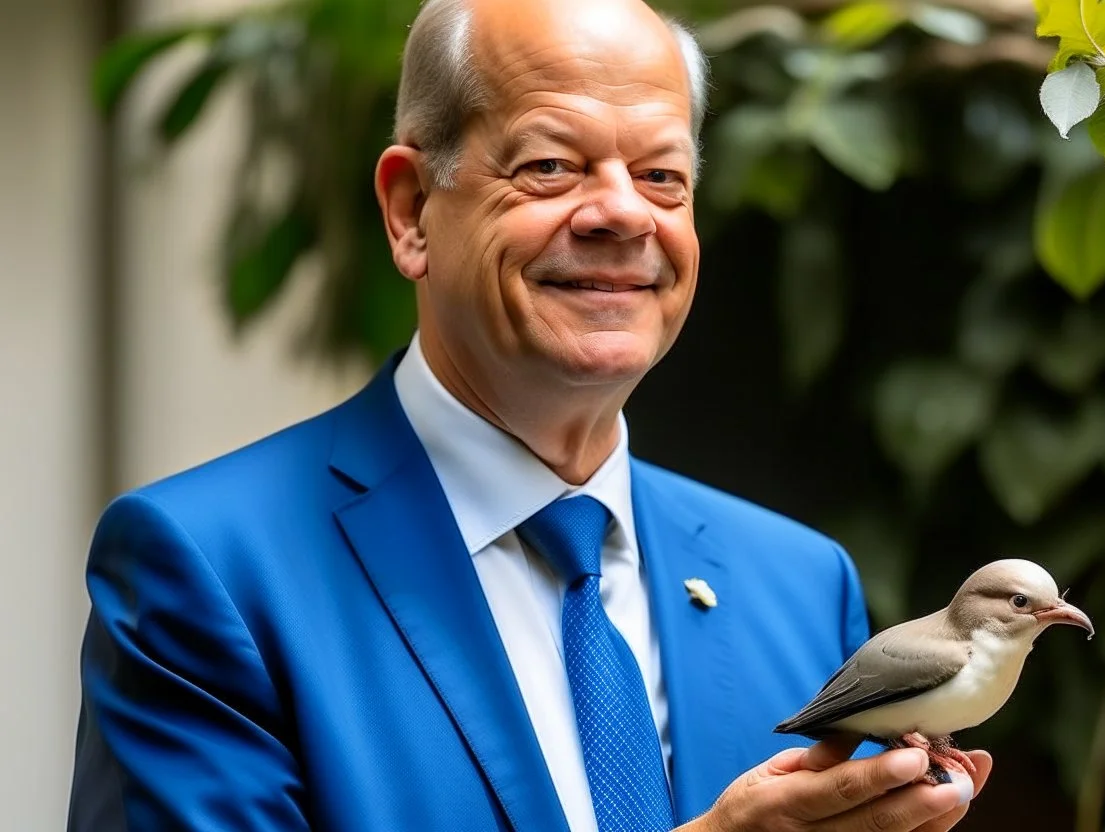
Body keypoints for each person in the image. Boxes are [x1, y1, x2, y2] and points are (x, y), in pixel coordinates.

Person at [67, 0, 993, 829]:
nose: (625, 214)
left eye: (664, 175)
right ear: (411, 212)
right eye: (551, 165)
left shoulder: (798, 583)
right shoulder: (212, 571)